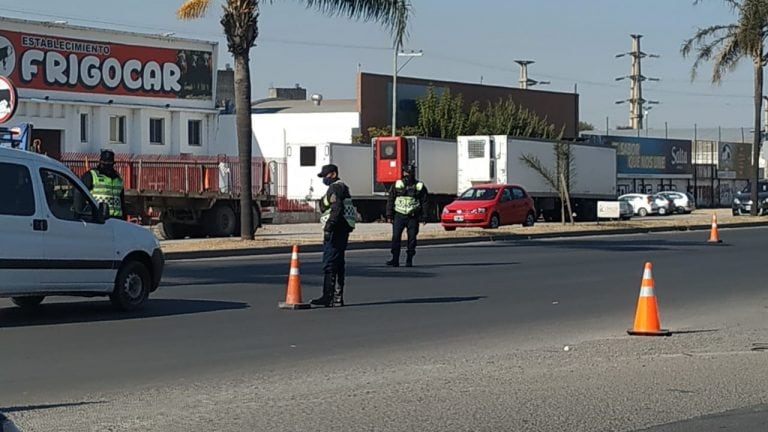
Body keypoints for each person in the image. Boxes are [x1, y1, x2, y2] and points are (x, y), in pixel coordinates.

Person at [311, 164, 356, 307]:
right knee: (338, 262)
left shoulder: (336, 188)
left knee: (330, 262)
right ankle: (337, 296)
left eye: (326, 176)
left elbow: (337, 209)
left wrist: (329, 227)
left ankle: (328, 296)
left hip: (336, 230)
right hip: (342, 229)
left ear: (333, 174)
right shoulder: (342, 187)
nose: (324, 179)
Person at [386, 164, 429, 267]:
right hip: (399, 215)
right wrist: (389, 215)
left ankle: (409, 260)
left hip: (413, 216)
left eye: (410, 172)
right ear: (403, 173)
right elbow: (390, 200)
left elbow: (425, 201)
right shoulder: (397, 185)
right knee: (396, 238)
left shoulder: (419, 186)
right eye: (406, 172)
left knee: (412, 239)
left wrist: (425, 216)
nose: (408, 175)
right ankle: (395, 259)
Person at [81, 149, 125, 220]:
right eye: (105, 163)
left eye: (110, 163)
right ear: (100, 162)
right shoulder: (91, 175)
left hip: (117, 219)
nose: (107, 165)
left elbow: (122, 201)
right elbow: (81, 195)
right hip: (98, 218)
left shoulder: (118, 178)